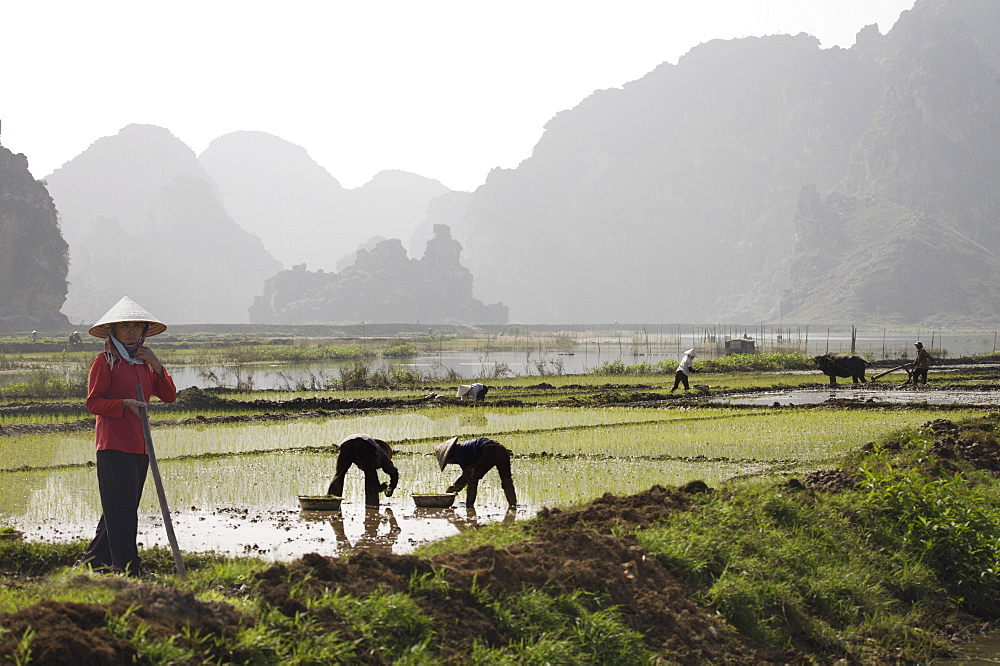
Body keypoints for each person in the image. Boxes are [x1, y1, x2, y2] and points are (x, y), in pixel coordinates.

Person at [80, 296, 176, 578]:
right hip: (113, 445)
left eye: (137, 326)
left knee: (120, 507)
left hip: (140, 445)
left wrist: (158, 367)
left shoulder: (144, 364)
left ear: (144, 331)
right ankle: (130, 569)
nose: (132, 331)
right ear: (113, 330)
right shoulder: (105, 361)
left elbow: (169, 397)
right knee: (122, 511)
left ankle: (94, 563)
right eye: (125, 326)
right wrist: (123, 404)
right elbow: (93, 403)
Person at [435, 436, 517, 508]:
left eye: (448, 461)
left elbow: (467, 473)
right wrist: (457, 487)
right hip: (501, 449)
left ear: (449, 456)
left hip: (490, 450)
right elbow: (469, 470)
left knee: (472, 478)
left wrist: (455, 488)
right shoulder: (463, 449)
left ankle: (469, 506)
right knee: (506, 480)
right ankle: (512, 504)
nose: (450, 463)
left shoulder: (458, 452)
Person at [326, 434, 398, 506]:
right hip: (364, 445)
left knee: (339, 475)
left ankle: (331, 502)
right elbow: (394, 472)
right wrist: (391, 487)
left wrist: (382, 487)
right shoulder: (382, 454)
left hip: (346, 444)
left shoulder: (375, 447)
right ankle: (372, 505)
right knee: (370, 476)